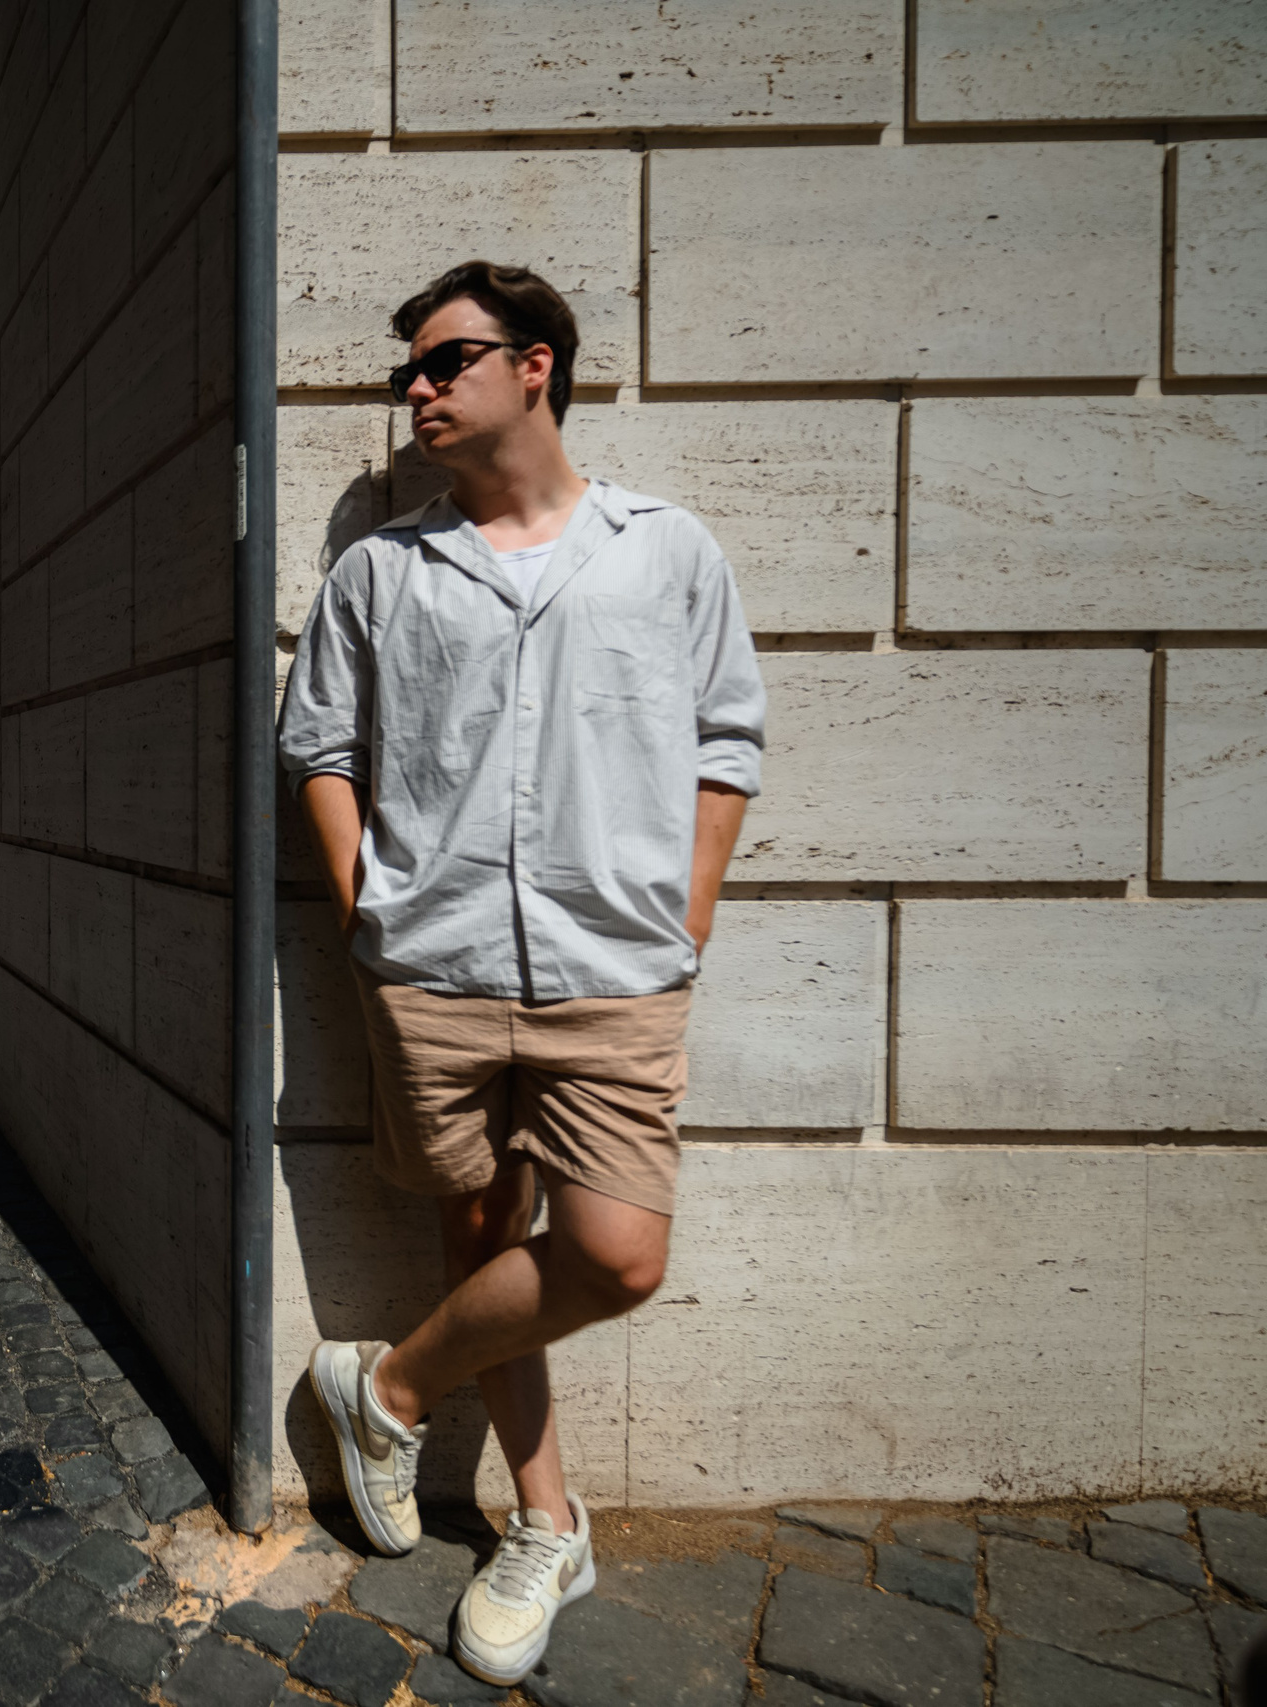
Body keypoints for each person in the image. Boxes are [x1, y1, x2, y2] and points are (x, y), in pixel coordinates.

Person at [277, 261, 765, 1687]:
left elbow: (727, 737)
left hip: (615, 970)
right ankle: (546, 1521)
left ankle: (389, 1386)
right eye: (407, 372)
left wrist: (691, 912)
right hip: (432, 969)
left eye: (445, 361)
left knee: (615, 1252)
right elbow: (318, 747)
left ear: (537, 364)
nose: (416, 391)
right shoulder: (384, 570)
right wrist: (369, 906)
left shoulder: (664, 551)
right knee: (485, 1241)